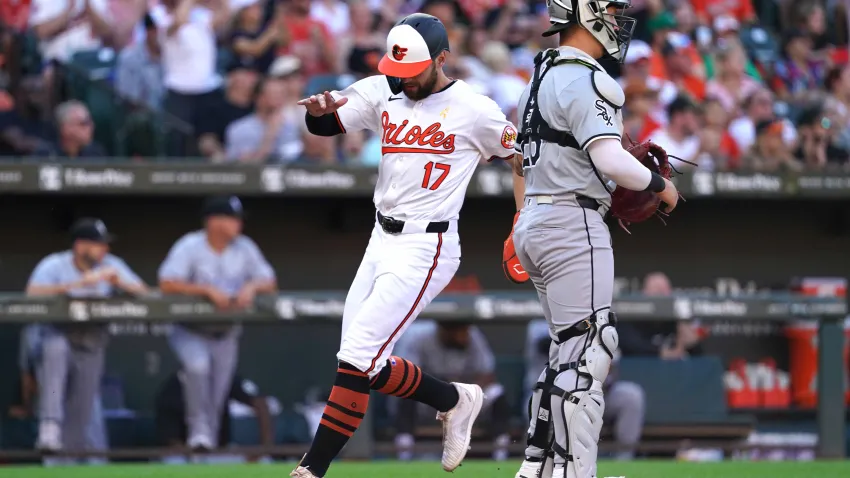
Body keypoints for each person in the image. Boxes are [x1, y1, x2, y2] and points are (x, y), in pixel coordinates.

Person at [293, 13, 519, 478]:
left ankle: (310, 471)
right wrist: (318, 116)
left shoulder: (474, 108)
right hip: (381, 237)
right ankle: (454, 399)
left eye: (412, 71)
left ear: (440, 59)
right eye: (396, 71)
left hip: (427, 244)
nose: (403, 81)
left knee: (357, 355)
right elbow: (327, 126)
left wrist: (522, 219)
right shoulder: (384, 88)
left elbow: (522, 156)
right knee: (363, 364)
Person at [507, 2, 680, 478]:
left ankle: (536, 468)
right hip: (572, 221)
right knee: (590, 352)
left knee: (564, 354)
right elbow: (610, 158)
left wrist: (521, 219)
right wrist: (660, 186)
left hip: (538, 220)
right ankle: (575, 473)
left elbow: (519, 165)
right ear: (584, 14)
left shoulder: (536, 79)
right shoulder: (587, 77)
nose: (619, 19)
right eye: (610, 8)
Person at [158, 195, 276, 451]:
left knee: (219, 391)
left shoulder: (245, 247)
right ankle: (198, 433)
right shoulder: (190, 246)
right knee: (197, 368)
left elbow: (269, 281)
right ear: (214, 221)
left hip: (226, 331)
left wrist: (252, 286)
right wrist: (205, 290)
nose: (238, 225)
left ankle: (206, 444)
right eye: (232, 219)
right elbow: (167, 282)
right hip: (190, 329)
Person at [25, 218, 147, 452]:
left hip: (91, 341)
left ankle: (66, 461)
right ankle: (49, 426)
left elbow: (147, 295)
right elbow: (32, 293)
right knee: (55, 353)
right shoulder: (55, 264)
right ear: (80, 246)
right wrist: (75, 284)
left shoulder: (111, 264)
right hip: (58, 331)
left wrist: (119, 282)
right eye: (98, 244)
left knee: (81, 411)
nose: (105, 249)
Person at [392, 321, 512, 461]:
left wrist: (464, 391)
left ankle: (501, 453)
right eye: (460, 331)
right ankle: (404, 452)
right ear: (445, 330)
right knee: (408, 392)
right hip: (430, 399)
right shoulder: (420, 337)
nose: (464, 335)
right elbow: (406, 374)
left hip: (462, 399)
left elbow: (488, 374)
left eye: (465, 330)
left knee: (495, 392)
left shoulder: (473, 336)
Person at [155, 370, 274, 451]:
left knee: (264, 463)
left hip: (222, 452)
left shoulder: (223, 379)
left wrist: (264, 447)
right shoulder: (170, 392)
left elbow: (260, 403)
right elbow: (172, 442)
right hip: (184, 456)